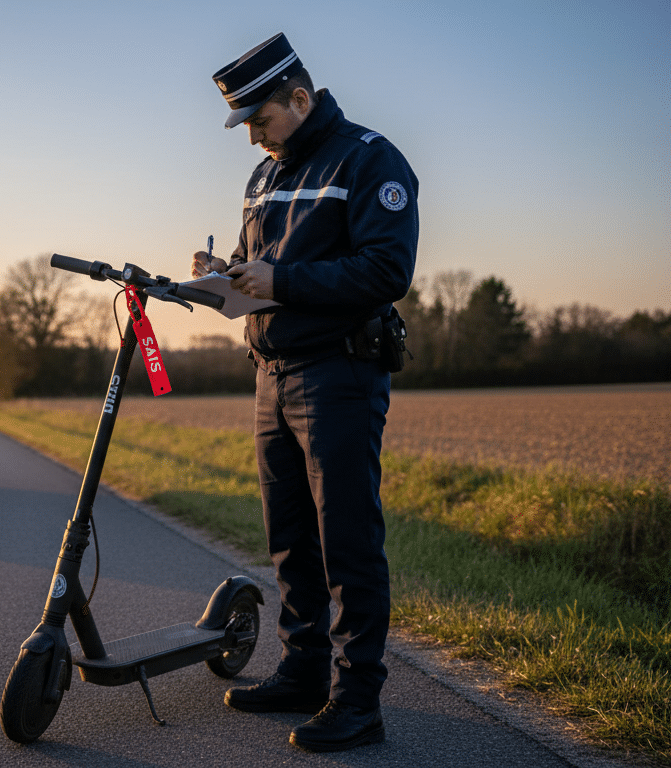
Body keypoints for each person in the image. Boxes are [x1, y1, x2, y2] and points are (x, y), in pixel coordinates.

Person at [191, 33, 418, 753]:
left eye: (261, 118)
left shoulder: (369, 157)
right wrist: (225, 275)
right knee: (289, 539)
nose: (252, 135)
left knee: (346, 541)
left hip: (340, 377)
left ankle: (357, 701)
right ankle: (303, 670)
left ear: (300, 97)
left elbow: (386, 270)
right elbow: (266, 270)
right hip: (271, 374)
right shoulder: (262, 177)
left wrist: (280, 282)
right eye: (245, 124)